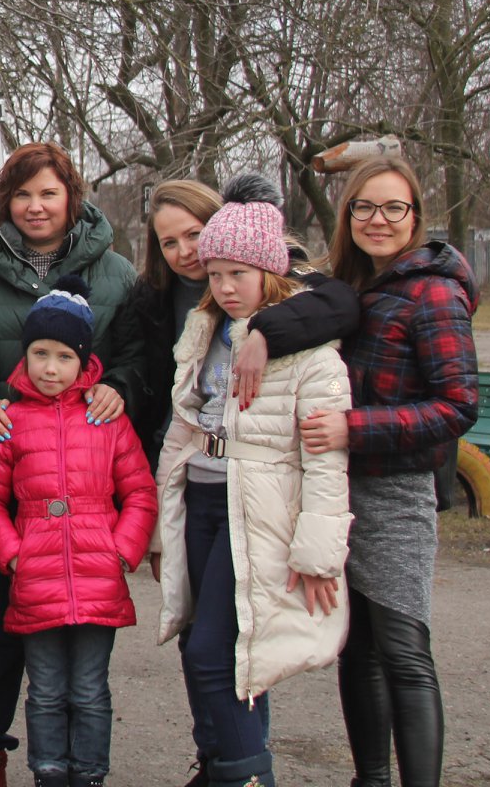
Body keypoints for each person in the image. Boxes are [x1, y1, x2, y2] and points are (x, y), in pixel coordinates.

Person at [105, 176, 361, 787]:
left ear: (266, 270)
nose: (214, 279)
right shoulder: (199, 324)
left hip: (257, 506)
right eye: (175, 246)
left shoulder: (305, 338)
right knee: (206, 643)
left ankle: (247, 774)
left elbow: (326, 460)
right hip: (200, 495)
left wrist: (319, 552)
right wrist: (159, 519)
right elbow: (182, 424)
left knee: (217, 650)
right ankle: (219, 762)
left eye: (233, 272)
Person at [0, 143, 135, 787]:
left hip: (81, 494)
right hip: (4, 466)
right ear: (5, 201)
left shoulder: (114, 275)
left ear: (71, 198)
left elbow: (142, 356)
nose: (35, 206)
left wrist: (122, 388)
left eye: (48, 193)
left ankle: (81, 767)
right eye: (22, 195)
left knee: (79, 657)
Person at [303, 156, 479, 787]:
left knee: (404, 650)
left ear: (415, 217)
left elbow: (459, 405)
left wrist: (357, 427)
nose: (378, 220)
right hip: (343, 487)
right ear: (347, 215)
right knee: (359, 648)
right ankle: (370, 778)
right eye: (364, 208)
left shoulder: (432, 291)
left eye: (393, 208)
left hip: (398, 491)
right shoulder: (352, 286)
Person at [0, 283, 157, 787]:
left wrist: (120, 551)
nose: (50, 368)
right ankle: (49, 771)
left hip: (97, 573)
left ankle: (90, 772)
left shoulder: (107, 419)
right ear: (26, 355)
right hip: (36, 576)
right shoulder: (9, 422)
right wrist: (13, 556)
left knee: (89, 688)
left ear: (84, 360)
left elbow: (140, 492)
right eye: (40, 354)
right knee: (47, 689)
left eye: (63, 356)